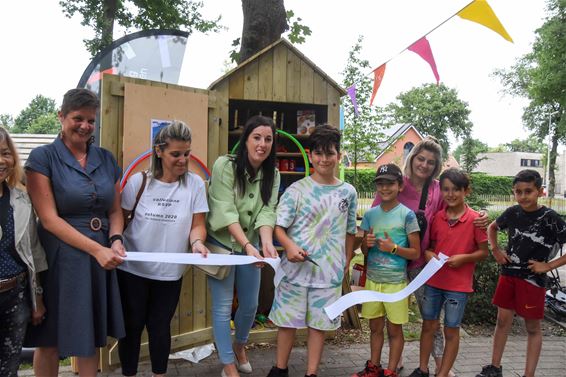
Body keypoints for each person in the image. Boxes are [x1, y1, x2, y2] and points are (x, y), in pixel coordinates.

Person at [24, 88, 126, 376]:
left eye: (91, 121)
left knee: (91, 337)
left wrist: (116, 239)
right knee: (51, 339)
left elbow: (115, 211)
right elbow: (48, 219)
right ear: (61, 117)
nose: (85, 126)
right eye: (77, 118)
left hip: (103, 253)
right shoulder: (43, 158)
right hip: (62, 256)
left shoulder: (105, 159)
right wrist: (97, 250)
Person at [371, 137, 488, 375]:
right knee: (389, 313)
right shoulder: (395, 183)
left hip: (422, 263)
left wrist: (481, 215)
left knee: (430, 318)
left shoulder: (437, 188)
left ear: (436, 166)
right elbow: (375, 214)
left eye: (430, 162)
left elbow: (457, 209)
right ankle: (397, 357)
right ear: (412, 158)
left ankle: (438, 362)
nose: (424, 165)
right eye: (420, 159)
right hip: (391, 261)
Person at [117, 121, 209, 377]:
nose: (183, 160)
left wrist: (197, 242)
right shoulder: (139, 182)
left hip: (169, 273)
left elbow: (198, 225)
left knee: (160, 327)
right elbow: (120, 221)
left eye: (187, 153)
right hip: (133, 270)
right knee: (132, 327)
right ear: (159, 151)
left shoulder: (195, 185)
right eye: (176, 154)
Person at [266, 125, 358, 377]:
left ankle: (311, 372)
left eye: (330, 153)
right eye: (318, 153)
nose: (324, 159)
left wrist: (346, 262)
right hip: (293, 272)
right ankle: (280, 369)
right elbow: (279, 228)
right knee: (287, 323)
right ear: (309, 155)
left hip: (328, 274)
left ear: (339, 155)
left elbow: (350, 231)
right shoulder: (297, 190)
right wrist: (289, 246)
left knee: (319, 326)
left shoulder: (348, 192)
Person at [206, 115, 280, 377]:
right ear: (246, 140)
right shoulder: (224, 165)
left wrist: (267, 243)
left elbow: (267, 213)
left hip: (253, 247)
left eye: (268, 139)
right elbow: (225, 211)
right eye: (257, 137)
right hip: (223, 246)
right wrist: (249, 245)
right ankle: (227, 363)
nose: (262, 144)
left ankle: (239, 346)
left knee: (250, 305)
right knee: (223, 306)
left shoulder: (274, 174)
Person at [476, 169, 566, 377]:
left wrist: (548, 266)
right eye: (518, 192)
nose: (523, 196)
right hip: (508, 275)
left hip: (532, 281)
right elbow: (492, 228)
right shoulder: (512, 212)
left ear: (540, 191)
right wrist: (496, 250)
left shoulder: (550, 218)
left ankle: (529, 374)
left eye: (528, 191)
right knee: (502, 322)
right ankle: (495, 367)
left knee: (533, 328)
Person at [411, 168, 488, 377]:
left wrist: (465, 258)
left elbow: (483, 252)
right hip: (434, 283)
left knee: (451, 329)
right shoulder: (437, 218)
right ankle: (422, 368)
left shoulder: (475, 220)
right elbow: (431, 246)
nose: (451, 194)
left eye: (456, 189)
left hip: (458, 287)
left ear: (466, 191)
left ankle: (442, 373)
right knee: (428, 326)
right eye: (446, 189)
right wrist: (428, 254)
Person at [353, 163, 420, 377]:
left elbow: (416, 253)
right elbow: (362, 249)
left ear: (400, 186)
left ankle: (390, 371)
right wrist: (367, 244)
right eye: (380, 184)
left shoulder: (407, 215)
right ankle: (374, 367)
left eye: (390, 183)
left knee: (394, 330)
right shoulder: (371, 215)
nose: (385, 188)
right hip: (373, 281)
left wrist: (393, 248)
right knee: (374, 328)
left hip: (396, 283)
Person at [0, 127, 47, 377]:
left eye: (5, 153)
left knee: (10, 366)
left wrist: (37, 298)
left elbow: (33, 250)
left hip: (15, 296)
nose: (1, 161)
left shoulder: (21, 199)